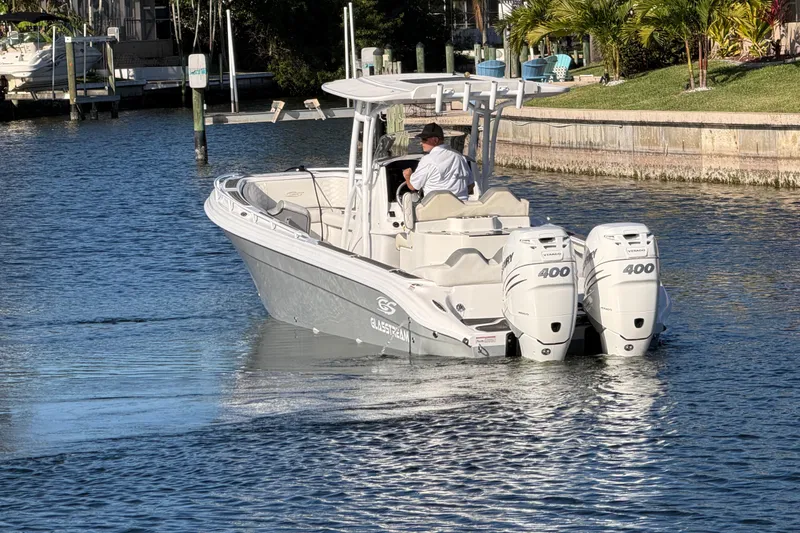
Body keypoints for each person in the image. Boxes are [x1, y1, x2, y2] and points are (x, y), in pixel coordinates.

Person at [403, 122, 474, 201]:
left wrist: (407, 176)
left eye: (424, 139)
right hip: (461, 208)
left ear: (435, 140)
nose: (421, 142)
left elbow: (413, 187)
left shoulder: (427, 160)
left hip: (436, 209)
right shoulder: (460, 157)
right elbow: (471, 185)